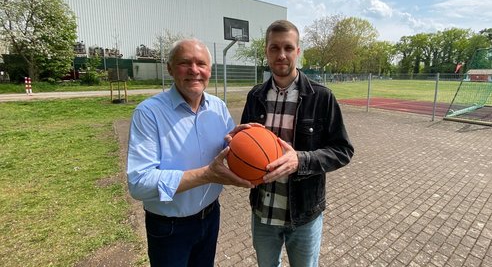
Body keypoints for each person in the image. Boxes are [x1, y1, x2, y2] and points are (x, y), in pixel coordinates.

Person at [127, 38, 253, 267]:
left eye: (201, 64)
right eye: (185, 62)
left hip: (211, 216)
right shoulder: (148, 113)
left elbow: (227, 150)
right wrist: (206, 175)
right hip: (169, 227)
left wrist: (243, 143)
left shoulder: (218, 107)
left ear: (210, 71)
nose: (194, 70)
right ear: (170, 68)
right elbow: (139, 183)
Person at [240, 20, 354, 266]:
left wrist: (300, 160)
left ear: (298, 52)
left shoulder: (321, 96)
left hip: (303, 214)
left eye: (288, 48)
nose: (281, 55)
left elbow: (343, 150)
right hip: (263, 211)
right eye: (274, 48)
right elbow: (245, 145)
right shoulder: (255, 96)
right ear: (266, 51)